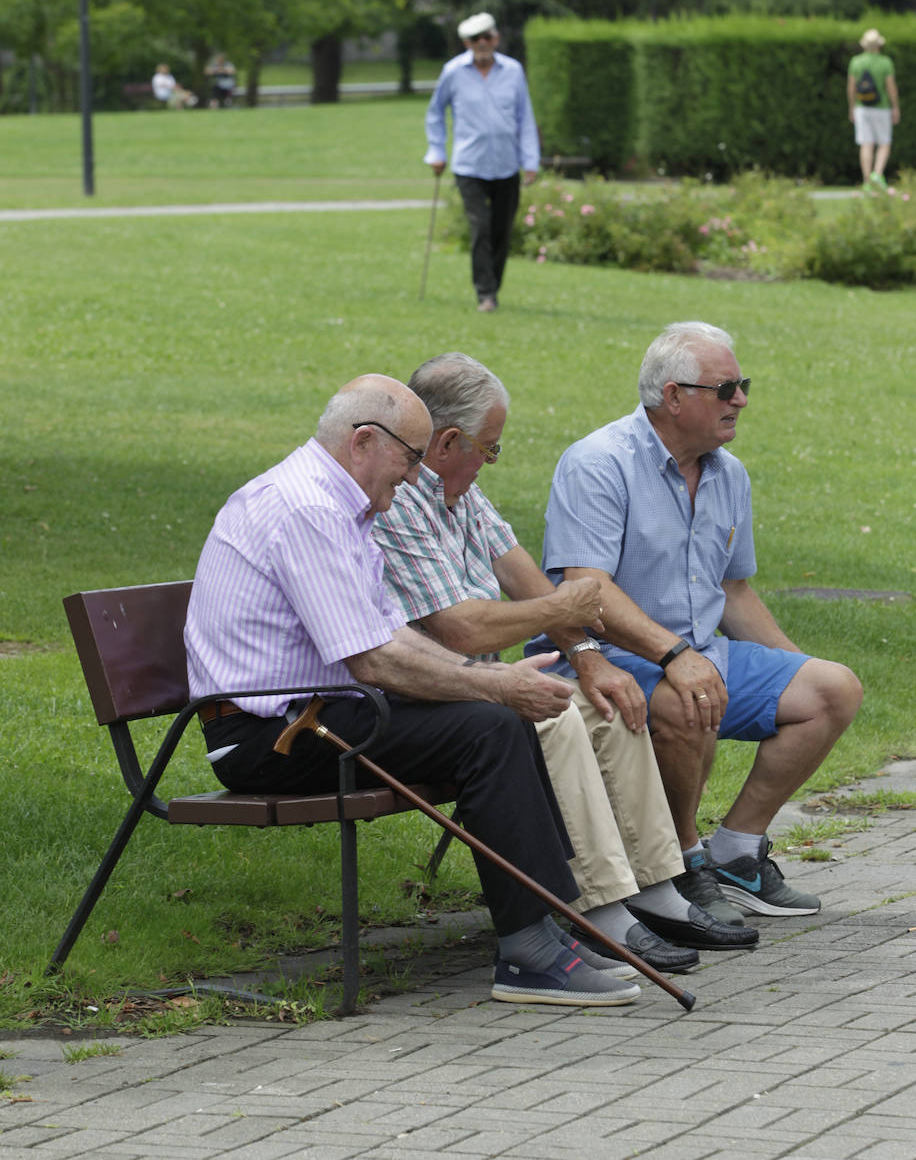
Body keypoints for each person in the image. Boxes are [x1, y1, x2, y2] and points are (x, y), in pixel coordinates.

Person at [184, 373, 642, 1008]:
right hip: (268, 738)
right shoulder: (308, 509)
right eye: (408, 457)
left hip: (318, 713)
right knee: (490, 728)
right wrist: (493, 688)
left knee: (494, 718)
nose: (414, 475)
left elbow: (386, 634)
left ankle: (545, 929)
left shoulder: (334, 502)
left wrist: (487, 680)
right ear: (364, 441)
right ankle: (531, 950)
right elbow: (374, 660)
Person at [373, 353, 759, 971]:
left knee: (610, 703)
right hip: (435, 686)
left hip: (483, 681)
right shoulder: (398, 502)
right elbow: (461, 628)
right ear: (448, 442)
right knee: (557, 718)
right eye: (489, 448)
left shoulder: (462, 493)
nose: (490, 461)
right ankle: (599, 908)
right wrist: (566, 607)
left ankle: (657, 889)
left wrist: (587, 655)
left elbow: (525, 580)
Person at [528, 322, 862, 923]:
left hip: (697, 652)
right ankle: (681, 862)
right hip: (602, 655)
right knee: (688, 698)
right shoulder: (598, 462)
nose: (741, 400)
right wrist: (673, 655)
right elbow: (586, 586)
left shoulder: (729, 474)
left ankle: (736, 852)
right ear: (673, 396)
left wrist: (796, 668)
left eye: (742, 385)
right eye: (725, 388)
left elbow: (732, 589)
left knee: (832, 688)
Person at [424, 12, 539, 313]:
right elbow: (435, 113)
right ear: (466, 43)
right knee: (480, 229)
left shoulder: (513, 71)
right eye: (476, 39)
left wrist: (530, 160)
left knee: (502, 230)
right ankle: (485, 294)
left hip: (506, 163)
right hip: (469, 165)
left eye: (488, 37)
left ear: (496, 38)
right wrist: (436, 152)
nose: (483, 43)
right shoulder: (453, 72)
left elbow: (524, 117)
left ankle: (493, 287)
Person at [847, 28, 900, 192]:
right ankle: (877, 173)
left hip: (862, 108)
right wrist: (895, 106)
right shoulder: (885, 62)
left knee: (866, 144)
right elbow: (890, 88)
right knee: (884, 142)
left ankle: (867, 180)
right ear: (878, 45)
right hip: (881, 108)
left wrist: (851, 107)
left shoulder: (856, 62)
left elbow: (851, 88)